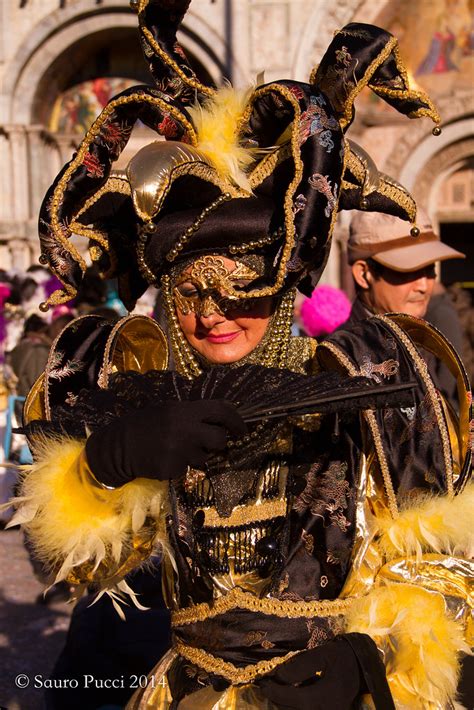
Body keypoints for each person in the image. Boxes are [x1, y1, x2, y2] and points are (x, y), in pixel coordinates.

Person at [5, 4, 472, 709]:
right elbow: (67, 569)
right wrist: (103, 467)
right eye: (189, 292)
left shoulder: (360, 382)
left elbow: (443, 563)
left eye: (240, 290)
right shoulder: (139, 388)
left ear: (282, 293)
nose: (211, 314)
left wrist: (368, 658)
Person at [342, 209, 466, 409]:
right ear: (364, 274)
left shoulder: (419, 337)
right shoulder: (343, 356)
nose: (424, 286)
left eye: (429, 270)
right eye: (409, 272)